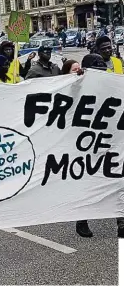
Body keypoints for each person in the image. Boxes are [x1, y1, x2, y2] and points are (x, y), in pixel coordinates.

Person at [74, 54, 124, 239]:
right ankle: (82, 218)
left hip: (112, 140)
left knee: (118, 181)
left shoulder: (112, 85)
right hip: (87, 145)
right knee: (91, 182)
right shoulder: (77, 86)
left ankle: (121, 221)